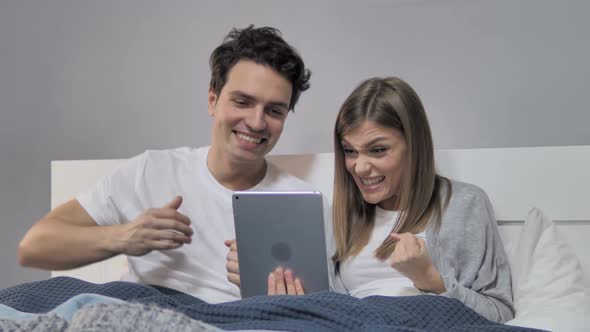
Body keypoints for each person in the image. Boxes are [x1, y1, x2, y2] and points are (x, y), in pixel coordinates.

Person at [18, 25, 314, 304]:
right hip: (142, 312)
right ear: (213, 100)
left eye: (274, 110)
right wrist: (123, 236)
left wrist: (271, 292)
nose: (256, 122)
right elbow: (34, 247)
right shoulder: (151, 170)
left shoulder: (301, 203)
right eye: (242, 102)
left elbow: (315, 304)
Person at [226, 77, 514, 323]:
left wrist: (430, 279)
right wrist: (267, 280)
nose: (359, 167)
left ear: (414, 145)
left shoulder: (463, 204)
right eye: (350, 151)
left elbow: (499, 312)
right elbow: (329, 309)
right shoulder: (342, 219)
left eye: (377, 150)